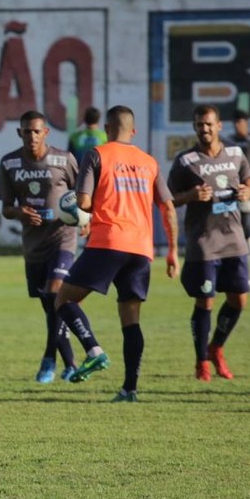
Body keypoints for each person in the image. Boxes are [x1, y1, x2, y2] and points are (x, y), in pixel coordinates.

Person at [54, 105, 180, 402]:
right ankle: (129, 389)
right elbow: (168, 208)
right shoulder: (149, 162)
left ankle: (93, 350)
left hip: (108, 241)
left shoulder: (97, 154)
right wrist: (173, 250)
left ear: (107, 129)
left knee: (64, 300)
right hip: (141, 249)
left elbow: (84, 201)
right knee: (130, 319)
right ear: (133, 131)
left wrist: (78, 213)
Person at [169, 105, 250, 382]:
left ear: (219, 126)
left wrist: (247, 191)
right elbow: (169, 199)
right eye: (199, 125)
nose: (204, 129)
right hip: (204, 242)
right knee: (205, 301)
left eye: (208, 124)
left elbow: (248, 180)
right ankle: (201, 362)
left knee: (239, 299)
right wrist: (191, 196)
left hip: (234, 239)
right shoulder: (186, 161)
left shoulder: (236, 153)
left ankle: (216, 347)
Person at [0, 110, 79, 384]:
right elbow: (6, 208)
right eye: (26, 131)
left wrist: (84, 219)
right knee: (51, 307)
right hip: (34, 245)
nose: (31, 136)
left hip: (63, 238)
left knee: (55, 294)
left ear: (46, 132)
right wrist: (20, 212)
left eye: (36, 131)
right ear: (19, 133)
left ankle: (48, 359)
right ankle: (70, 362)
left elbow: (82, 195)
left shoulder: (64, 159)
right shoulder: (9, 163)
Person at [225, 110, 250, 259]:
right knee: (232, 217)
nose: (237, 125)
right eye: (235, 122)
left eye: (240, 122)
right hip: (232, 184)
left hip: (248, 184)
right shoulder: (229, 141)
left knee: (245, 217)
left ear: (246, 123)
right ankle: (239, 248)